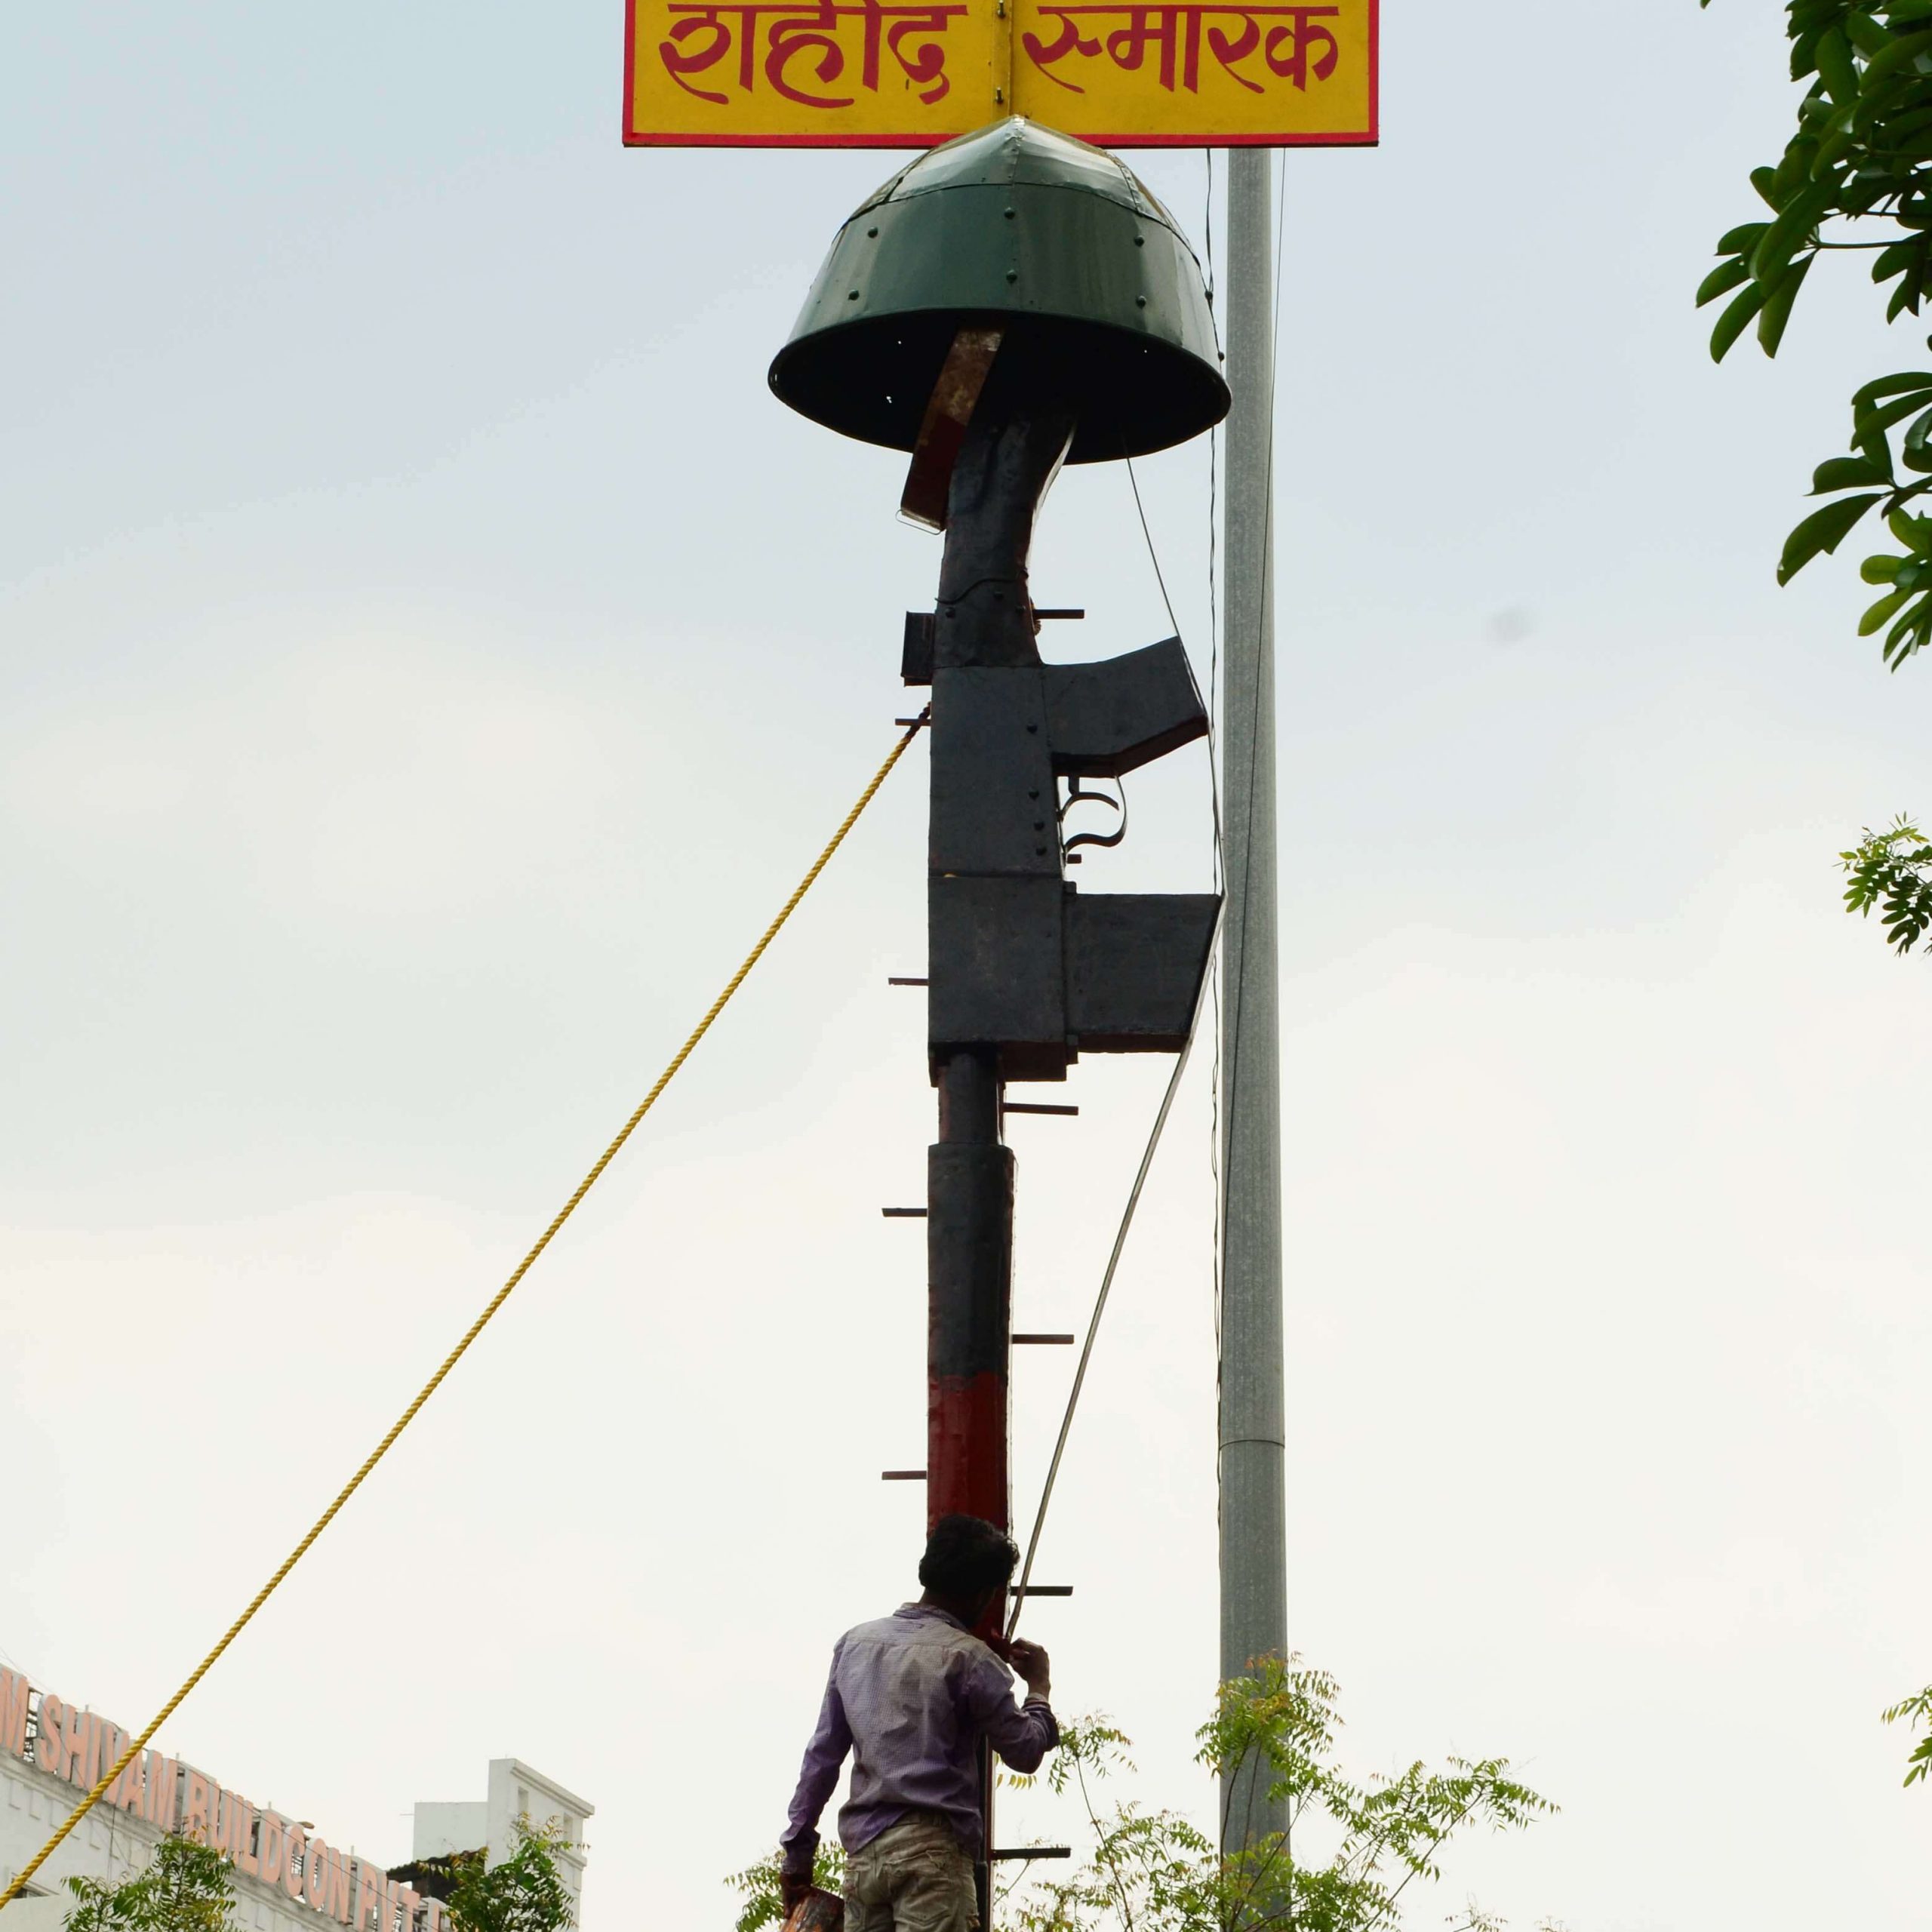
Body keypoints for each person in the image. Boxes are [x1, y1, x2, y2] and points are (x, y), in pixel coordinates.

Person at [778, 1514, 1058, 1932]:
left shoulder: (855, 1644)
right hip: (934, 1861)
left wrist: (798, 1853)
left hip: (864, 1861)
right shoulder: (971, 1659)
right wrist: (1039, 1688)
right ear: (986, 1593)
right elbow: (1026, 1751)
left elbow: (821, 1759)